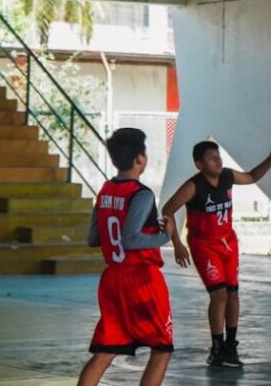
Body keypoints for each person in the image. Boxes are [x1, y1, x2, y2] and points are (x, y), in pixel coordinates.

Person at [161, 140, 271, 367]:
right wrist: (177, 243)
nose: (218, 160)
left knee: (233, 295)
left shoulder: (228, 176)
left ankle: (230, 345)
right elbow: (167, 209)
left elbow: (251, 177)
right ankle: (216, 348)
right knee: (218, 295)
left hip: (228, 243)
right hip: (204, 246)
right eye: (211, 157)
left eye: (218, 155)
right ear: (199, 164)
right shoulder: (193, 186)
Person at [78, 128, 175, 386]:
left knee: (105, 352)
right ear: (140, 159)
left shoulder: (105, 191)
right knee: (161, 349)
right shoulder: (141, 194)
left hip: (112, 279)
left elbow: (93, 239)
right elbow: (130, 239)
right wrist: (165, 237)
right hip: (141, 280)